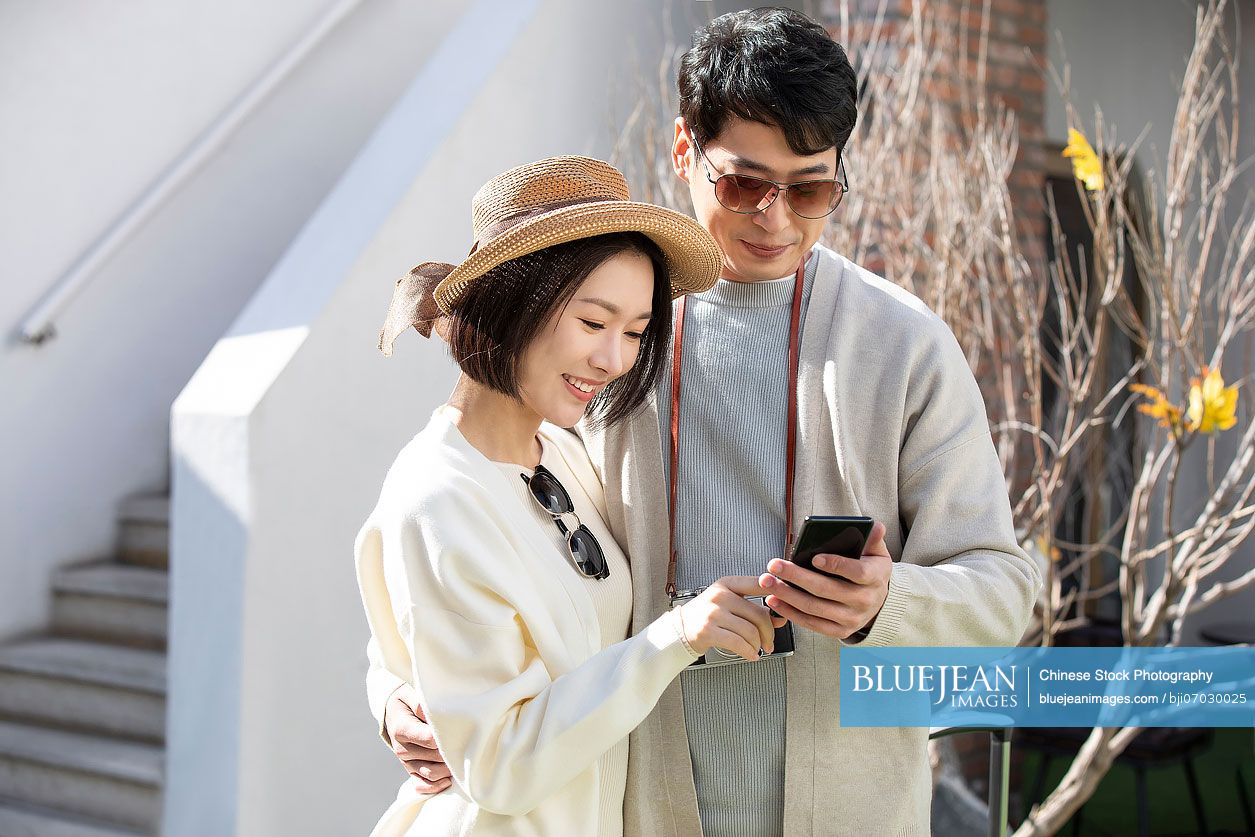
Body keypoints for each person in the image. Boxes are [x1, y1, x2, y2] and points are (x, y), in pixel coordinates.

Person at [373, 8, 1041, 836]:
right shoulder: (602, 334)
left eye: (810, 190)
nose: (777, 218)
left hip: (852, 810)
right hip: (635, 808)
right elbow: (462, 539)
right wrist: (399, 691)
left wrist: (885, 602)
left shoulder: (902, 345)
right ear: (685, 150)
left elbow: (1004, 593)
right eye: (744, 184)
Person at [355, 155, 791, 836]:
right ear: (514, 300)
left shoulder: (560, 452)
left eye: (635, 331)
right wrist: (673, 638)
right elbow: (498, 767)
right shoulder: (437, 496)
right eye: (593, 323)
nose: (614, 360)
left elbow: (413, 643)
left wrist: (395, 693)